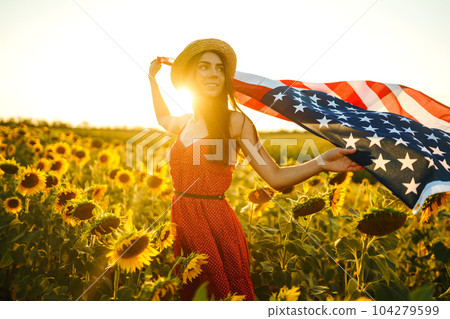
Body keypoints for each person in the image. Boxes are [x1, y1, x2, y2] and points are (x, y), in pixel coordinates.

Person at [148, 38, 363, 301]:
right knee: (190, 296)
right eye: (204, 67)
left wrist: (320, 163)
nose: (214, 73)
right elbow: (162, 118)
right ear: (190, 76)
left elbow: (274, 177)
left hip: (214, 223)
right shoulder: (183, 123)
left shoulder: (235, 122)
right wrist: (152, 80)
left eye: (219, 68)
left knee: (221, 296)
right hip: (182, 220)